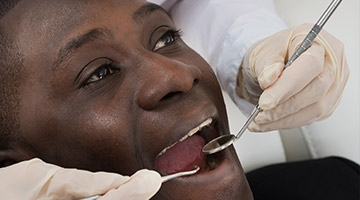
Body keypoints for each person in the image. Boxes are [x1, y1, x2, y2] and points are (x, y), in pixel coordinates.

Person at [0, 0, 354, 199]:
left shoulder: (334, 186)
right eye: (99, 74)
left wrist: (250, 48)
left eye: (166, 38)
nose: (178, 76)